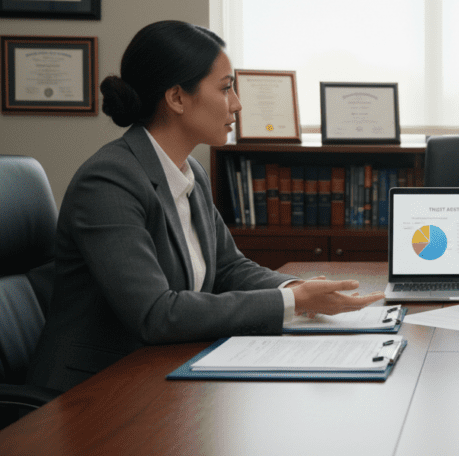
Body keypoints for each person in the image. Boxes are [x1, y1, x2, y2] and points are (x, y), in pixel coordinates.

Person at [29, 20, 384, 392]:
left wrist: (302, 289)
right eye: (226, 88)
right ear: (177, 98)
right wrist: (290, 301)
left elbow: (228, 267)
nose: (237, 104)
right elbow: (155, 314)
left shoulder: (190, 171)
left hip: (156, 370)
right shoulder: (108, 182)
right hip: (90, 392)